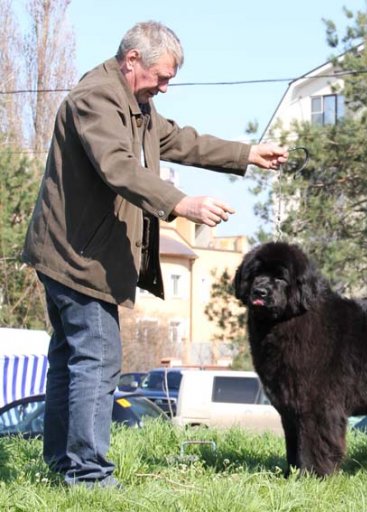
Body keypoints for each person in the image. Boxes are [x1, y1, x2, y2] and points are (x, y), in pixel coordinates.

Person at [21, 20, 287, 488]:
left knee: (70, 357)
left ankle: (64, 464)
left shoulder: (137, 104)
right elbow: (118, 167)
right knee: (97, 359)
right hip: (76, 256)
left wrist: (246, 153)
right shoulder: (96, 98)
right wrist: (182, 203)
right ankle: (87, 475)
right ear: (132, 61)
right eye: (162, 76)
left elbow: (181, 140)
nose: (167, 86)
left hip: (76, 251)